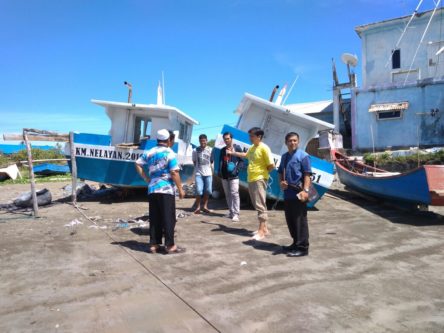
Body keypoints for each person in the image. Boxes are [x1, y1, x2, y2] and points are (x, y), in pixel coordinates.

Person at [135, 129, 185, 254]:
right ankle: (170, 246)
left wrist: (146, 178)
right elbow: (174, 172)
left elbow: (137, 163)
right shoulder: (169, 153)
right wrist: (180, 189)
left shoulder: (150, 152)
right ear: (168, 140)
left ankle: (154, 245)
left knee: (155, 217)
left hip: (152, 189)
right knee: (169, 218)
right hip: (166, 189)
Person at [227, 127, 275, 240]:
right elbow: (245, 155)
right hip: (251, 179)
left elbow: (271, 165)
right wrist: (232, 152)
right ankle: (265, 229)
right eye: (250, 136)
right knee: (258, 204)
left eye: (252, 136)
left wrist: (263, 175)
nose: (250, 138)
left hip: (259, 179)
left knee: (260, 205)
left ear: (259, 137)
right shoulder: (253, 147)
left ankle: (261, 231)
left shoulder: (264, 148)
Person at [278, 132, 311, 257]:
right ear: (286, 142)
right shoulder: (284, 157)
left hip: (299, 194)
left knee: (300, 221)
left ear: (298, 141)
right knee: (291, 221)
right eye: (290, 141)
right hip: (288, 194)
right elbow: (280, 171)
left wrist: (306, 191)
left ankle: (303, 248)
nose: (293, 143)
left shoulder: (303, 156)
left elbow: (307, 174)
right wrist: (281, 182)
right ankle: (295, 243)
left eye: (295, 140)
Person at [218, 132, 244, 222]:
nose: (226, 140)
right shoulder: (222, 150)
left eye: (228, 138)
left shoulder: (237, 148)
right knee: (228, 195)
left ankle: (236, 214)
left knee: (235, 193)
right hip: (224, 176)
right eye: (225, 139)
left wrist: (237, 170)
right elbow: (221, 162)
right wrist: (219, 171)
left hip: (234, 176)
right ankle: (231, 212)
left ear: (231, 139)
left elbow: (242, 161)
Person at [192, 134, 214, 214]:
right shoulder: (195, 150)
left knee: (208, 191)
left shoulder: (211, 150)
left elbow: (211, 161)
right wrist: (198, 168)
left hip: (208, 173)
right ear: (199, 141)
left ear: (206, 141)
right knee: (199, 191)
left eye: (204, 141)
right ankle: (197, 207)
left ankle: (205, 206)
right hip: (199, 174)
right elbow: (194, 161)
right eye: (201, 141)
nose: (203, 142)